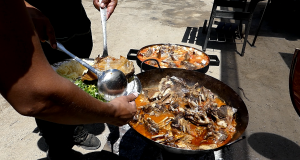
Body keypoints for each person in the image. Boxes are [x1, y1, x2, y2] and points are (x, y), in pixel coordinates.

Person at [0, 0, 137, 159]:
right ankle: (58, 148)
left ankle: (75, 127)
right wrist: (112, 113)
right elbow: (36, 98)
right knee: (53, 109)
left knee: (82, 80)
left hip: (76, 24)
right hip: (37, 32)